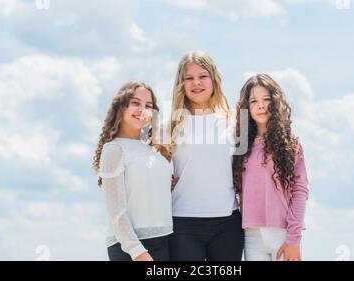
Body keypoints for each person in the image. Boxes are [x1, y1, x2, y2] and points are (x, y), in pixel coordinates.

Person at [168, 51, 244, 261]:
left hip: (228, 223)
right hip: (182, 222)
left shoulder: (236, 123)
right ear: (181, 84)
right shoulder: (169, 127)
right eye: (189, 78)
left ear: (213, 79)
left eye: (202, 76)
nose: (196, 83)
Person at [92, 81, 172, 261]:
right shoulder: (115, 149)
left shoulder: (155, 151)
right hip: (129, 248)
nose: (142, 109)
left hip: (164, 241)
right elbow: (116, 211)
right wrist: (137, 252)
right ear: (121, 107)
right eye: (135, 103)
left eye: (148, 105)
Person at [232, 73, 309, 261]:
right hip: (251, 236)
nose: (260, 106)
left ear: (275, 102)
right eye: (253, 101)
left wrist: (294, 239)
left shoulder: (291, 143)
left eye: (266, 99)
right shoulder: (239, 145)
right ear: (246, 107)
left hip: (283, 235)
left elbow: (300, 191)